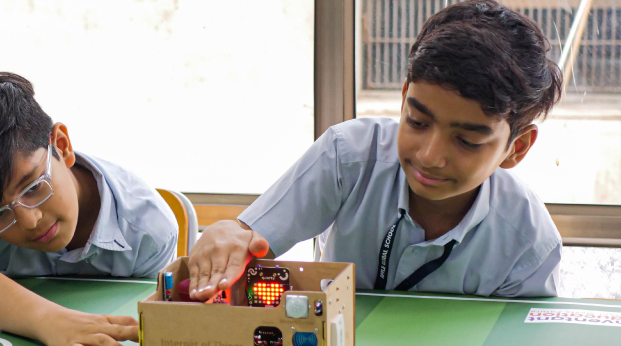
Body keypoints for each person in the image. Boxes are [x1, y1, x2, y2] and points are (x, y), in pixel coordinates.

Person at [187, 0, 563, 300]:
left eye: (467, 141)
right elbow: (249, 240)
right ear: (403, 100)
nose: (430, 155)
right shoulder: (347, 155)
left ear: (516, 148)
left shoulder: (529, 244)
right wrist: (229, 236)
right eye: (417, 122)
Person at [0, 72, 178, 346]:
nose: (29, 221)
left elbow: (155, 323)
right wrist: (53, 322)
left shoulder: (148, 229)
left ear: (62, 146)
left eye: (33, 186)